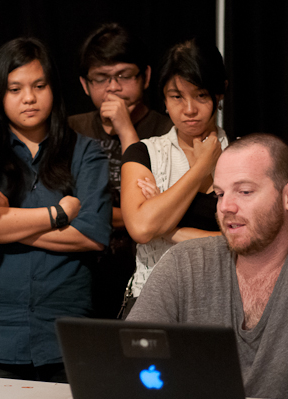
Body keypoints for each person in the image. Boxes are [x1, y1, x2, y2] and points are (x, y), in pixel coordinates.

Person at [127, 133, 288, 399]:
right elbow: (127, 351)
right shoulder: (183, 262)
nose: (226, 207)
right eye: (220, 194)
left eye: (244, 191)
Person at [0, 38, 112, 382]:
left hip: (63, 332)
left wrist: (7, 219)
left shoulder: (86, 151)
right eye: (15, 88)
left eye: (39, 86)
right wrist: (59, 215)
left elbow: (93, 236)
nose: (29, 98)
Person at [69, 23, 173, 318]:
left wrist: (127, 130)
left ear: (146, 76)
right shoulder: (72, 129)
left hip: (147, 271)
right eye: (101, 78)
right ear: (84, 84)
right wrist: (129, 215)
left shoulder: (167, 130)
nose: (113, 87)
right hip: (81, 270)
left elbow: (159, 211)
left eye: (124, 76)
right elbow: (63, 204)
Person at [119, 39, 227, 314]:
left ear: (220, 93)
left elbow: (245, 242)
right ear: (164, 99)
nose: (189, 109)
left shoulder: (243, 156)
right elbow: (142, 229)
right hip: (153, 299)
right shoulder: (144, 153)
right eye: (177, 96)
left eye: (201, 95)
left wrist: (166, 229)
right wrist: (202, 167)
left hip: (223, 301)